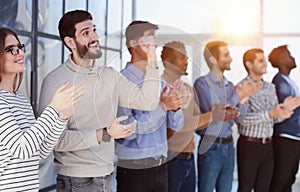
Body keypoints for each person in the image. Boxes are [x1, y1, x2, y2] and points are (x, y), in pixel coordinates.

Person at [38, 11, 161, 192]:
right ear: (70, 42)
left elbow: (147, 101)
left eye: (94, 30)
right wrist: (103, 134)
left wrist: (152, 60)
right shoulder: (55, 81)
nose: (95, 37)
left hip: (107, 176)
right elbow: (52, 140)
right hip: (76, 180)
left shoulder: (110, 75)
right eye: (86, 33)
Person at [0, 27, 85, 191]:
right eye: (10, 49)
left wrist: (61, 118)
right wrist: (53, 108)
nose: (19, 53)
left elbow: (39, 150)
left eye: (19, 48)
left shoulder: (21, 101)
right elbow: (22, 149)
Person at [115, 21, 184, 192]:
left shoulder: (159, 82)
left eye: (155, 38)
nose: (155, 43)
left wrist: (175, 108)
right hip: (134, 170)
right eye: (149, 38)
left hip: (160, 167)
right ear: (133, 43)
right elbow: (127, 131)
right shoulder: (121, 82)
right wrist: (162, 107)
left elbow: (176, 125)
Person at [160, 41, 239, 192]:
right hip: (171, 160)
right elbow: (178, 126)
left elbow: (199, 122)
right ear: (167, 62)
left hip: (188, 158)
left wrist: (214, 115)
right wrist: (212, 115)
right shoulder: (161, 88)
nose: (186, 61)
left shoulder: (187, 88)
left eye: (187, 57)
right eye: (181, 57)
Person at [193, 40, 261, 192]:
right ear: (213, 59)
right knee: (206, 189)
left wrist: (243, 98)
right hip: (211, 146)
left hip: (229, 146)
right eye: (226, 55)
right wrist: (238, 95)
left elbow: (239, 118)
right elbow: (219, 114)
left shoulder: (230, 86)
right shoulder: (202, 84)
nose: (230, 59)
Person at [236, 48, 300, 192]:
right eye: (260, 61)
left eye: (264, 60)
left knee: (264, 188)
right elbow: (242, 119)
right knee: (245, 188)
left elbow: (274, 119)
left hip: (268, 146)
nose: (265, 63)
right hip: (249, 146)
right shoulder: (242, 87)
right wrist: (271, 113)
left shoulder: (270, 88)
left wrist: (284, 109)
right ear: (249, 64)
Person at [269, 45, 300, 192]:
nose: (293, 58)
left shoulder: (289, 81)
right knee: (281, 180)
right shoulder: (279, 81)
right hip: (285, 138)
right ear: (282, 60)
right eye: (289, 55)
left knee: (288, 179)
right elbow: (287, 107)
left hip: (293, 137)